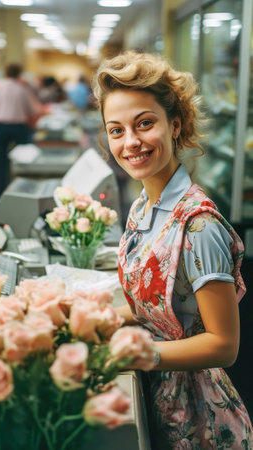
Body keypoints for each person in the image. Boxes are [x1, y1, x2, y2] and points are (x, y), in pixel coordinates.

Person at [92, 50, 253, 449]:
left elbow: (224, 344)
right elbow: (160, 300)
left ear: (175, 125)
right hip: (159, 395)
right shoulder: (143, 206)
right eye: (116, 130)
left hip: (200, 419)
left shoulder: (200, 226)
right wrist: (94, 318)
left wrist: (141, 353)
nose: (131, 142)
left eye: (144, 124)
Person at [0, 63, 43, 199]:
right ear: (19, 73)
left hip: (1, 126)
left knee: (0, 161)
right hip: (19, 127)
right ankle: (20, 193)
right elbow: (33, 110)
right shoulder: (22, 89)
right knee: (21, 161)